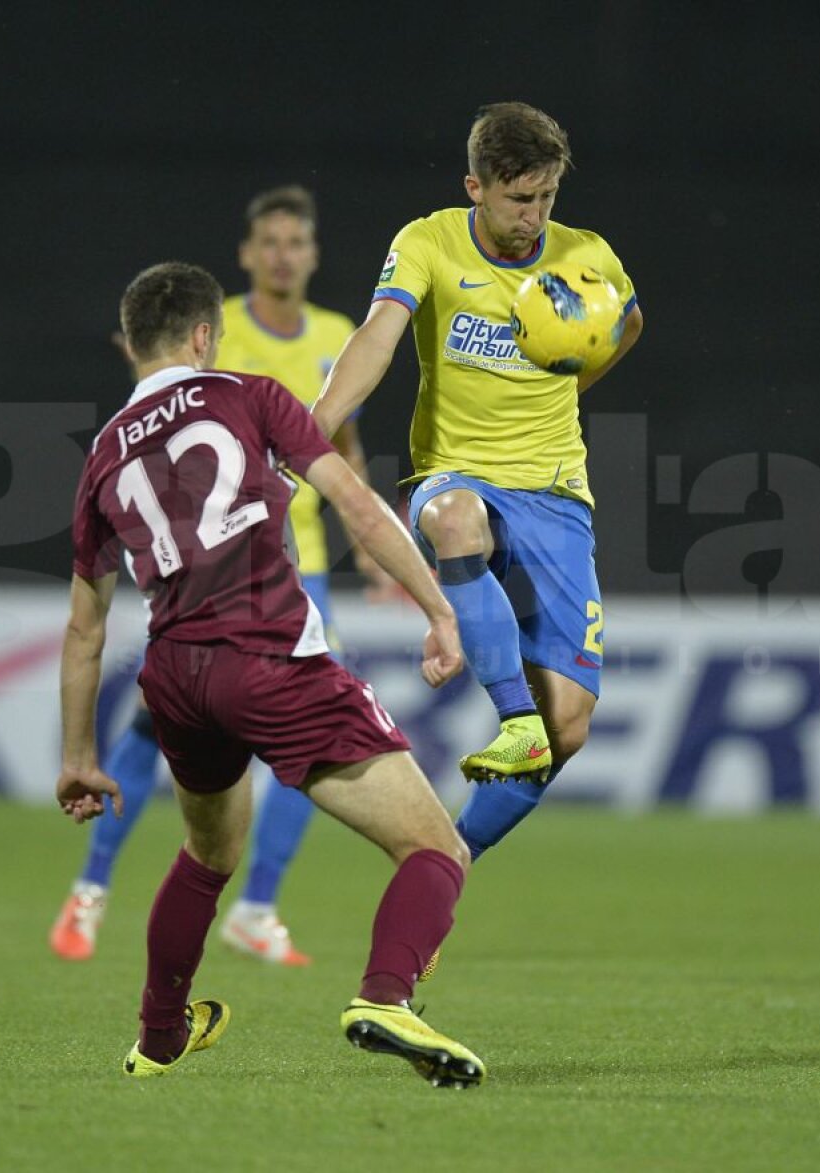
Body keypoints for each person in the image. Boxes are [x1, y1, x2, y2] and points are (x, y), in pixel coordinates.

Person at [56, 260, 484, 1088]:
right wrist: (438, 605)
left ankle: (158, 1034)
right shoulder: (249, 395)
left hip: (177, 677)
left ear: (134, 345)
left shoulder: (105, 455)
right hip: (270, 658)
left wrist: (78, 754)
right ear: (205, 335)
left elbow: (85, 624)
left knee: (208, 852)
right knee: (437, 847)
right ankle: (385, 998)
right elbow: (355, 502)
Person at [50, 187, 388, 964]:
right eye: (267, 241)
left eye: (294, 242)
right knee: (150, 731)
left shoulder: (338, 336)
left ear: (311, 254)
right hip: (205, 569)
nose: (281, 254)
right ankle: (92, 885)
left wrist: (368, 551)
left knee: (315, 742)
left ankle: (259, 904)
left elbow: (345, 445)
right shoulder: (209, 334)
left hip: (294, 567)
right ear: (246, 254)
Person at [313, 102, 644, 861]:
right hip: (455, 472)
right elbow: (376, 339)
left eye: (547, 197)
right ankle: (511, 715)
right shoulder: (426, 242)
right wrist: (313, 423)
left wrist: (571, 381)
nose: (535, 216)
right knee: (455, 517)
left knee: (570, 727)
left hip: (556, 491)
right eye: (519, 199)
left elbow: (626, 322)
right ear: (475, 186)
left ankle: (445, 867)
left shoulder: (586, 255)